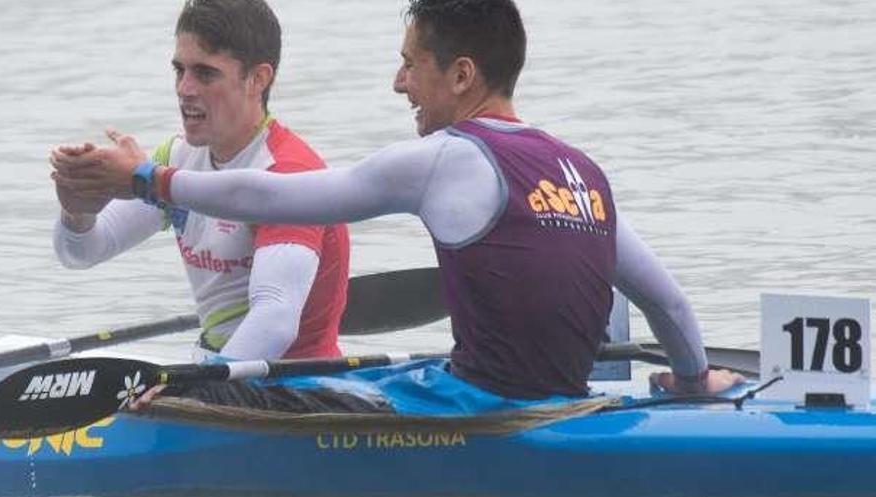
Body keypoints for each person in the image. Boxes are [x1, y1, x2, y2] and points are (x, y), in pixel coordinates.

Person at [51, 0, 743, 402]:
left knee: (390, 388)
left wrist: (147, 180)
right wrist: (690, 384)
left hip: (475, 410)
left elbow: (276, 195)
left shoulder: (443, 159)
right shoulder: (582, 170)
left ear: (463, 75)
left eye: (411, 63)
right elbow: (671, 305)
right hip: (565, 405)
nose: (397, 82)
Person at [51, 0, 351, 362]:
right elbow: (81, 255)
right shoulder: (174, 160)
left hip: (298, 387)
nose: (184, 89)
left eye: (205, 74)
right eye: (180, 70)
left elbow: (274, 321)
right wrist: (77, 213)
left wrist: (196, 388)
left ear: (258, 79)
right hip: (220, 370)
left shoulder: (289, 174)